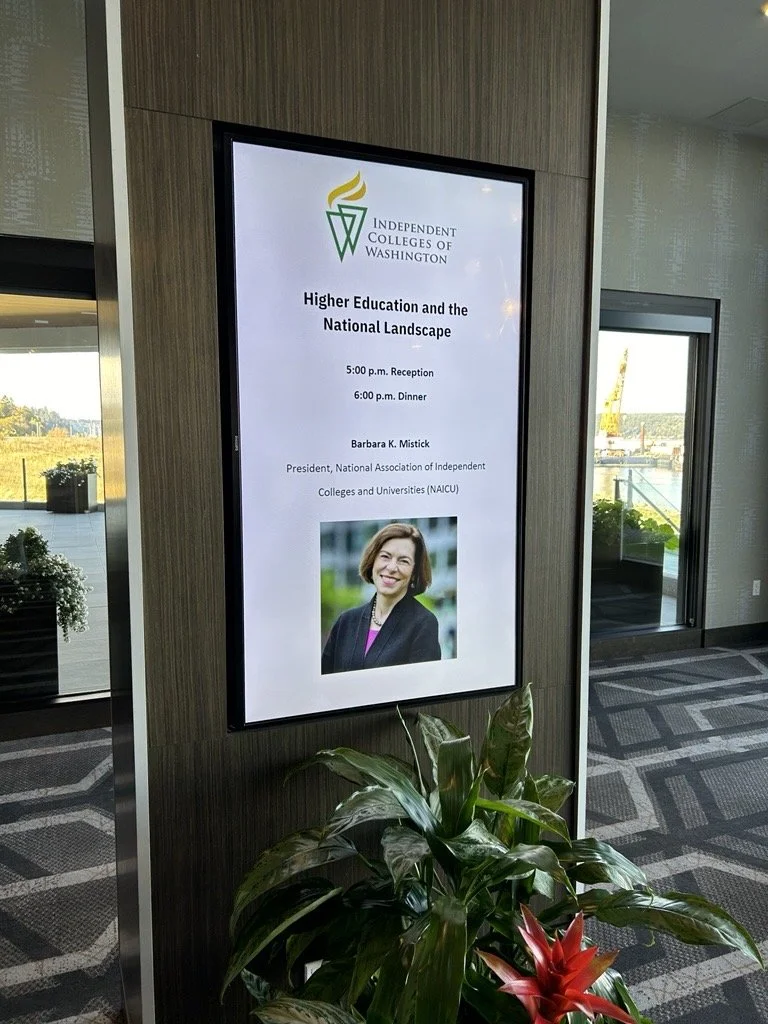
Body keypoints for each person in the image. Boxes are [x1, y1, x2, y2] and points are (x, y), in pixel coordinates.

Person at [322, 522, 441, 674]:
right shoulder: (345, 622)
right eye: (385, 556)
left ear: (414, 573)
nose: (391, 567)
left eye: (403, 561)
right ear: (372, 561)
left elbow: (422, 687)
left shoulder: (424, 624)